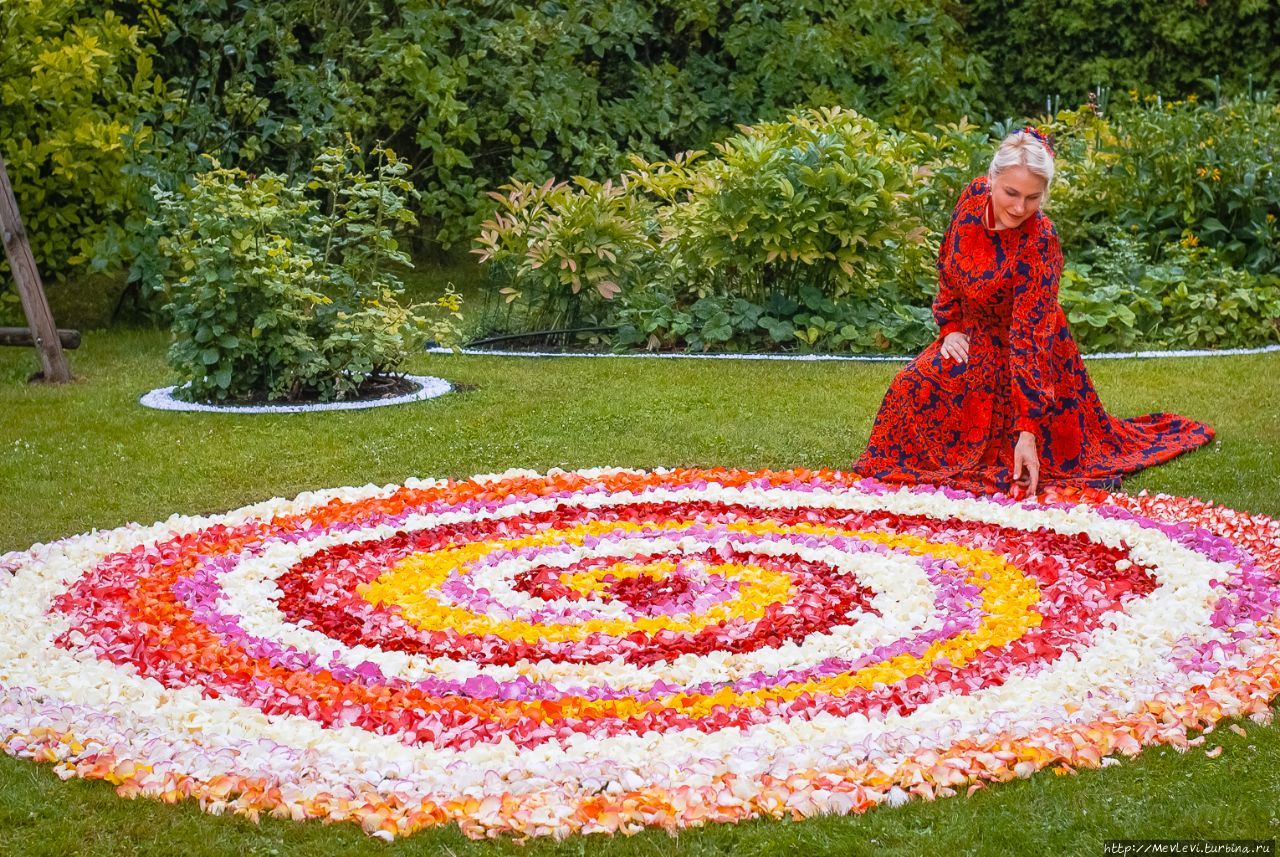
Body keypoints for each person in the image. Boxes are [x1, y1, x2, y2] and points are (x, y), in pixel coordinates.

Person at [851, 127, 1214, 498]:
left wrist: (1028, 430)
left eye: (1032, 197)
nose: (1019, 208)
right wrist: (951, 327)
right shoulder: (972, 197)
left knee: (1011, 454)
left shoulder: (1041, 239)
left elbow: (1030, 337)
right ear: (991, 179)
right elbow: (948, 262)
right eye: (1011, 192)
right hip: (973, 338)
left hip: (1028, 352)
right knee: (909, 388)